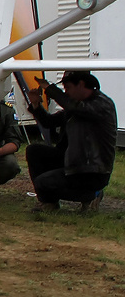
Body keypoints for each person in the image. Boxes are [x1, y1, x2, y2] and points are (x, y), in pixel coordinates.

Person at [26, 71, 117, 212]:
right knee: (34, 151)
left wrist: (50, 89)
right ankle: (49, 202)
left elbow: (74, 107)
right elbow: (48, 122)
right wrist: (36, 105)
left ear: (81, 84)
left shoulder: (102, 104)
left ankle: (92, 195)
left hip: (92, 169)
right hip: (74, 161)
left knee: (43, 183)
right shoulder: (76, 107)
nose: (66, 92)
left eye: (67, 87)